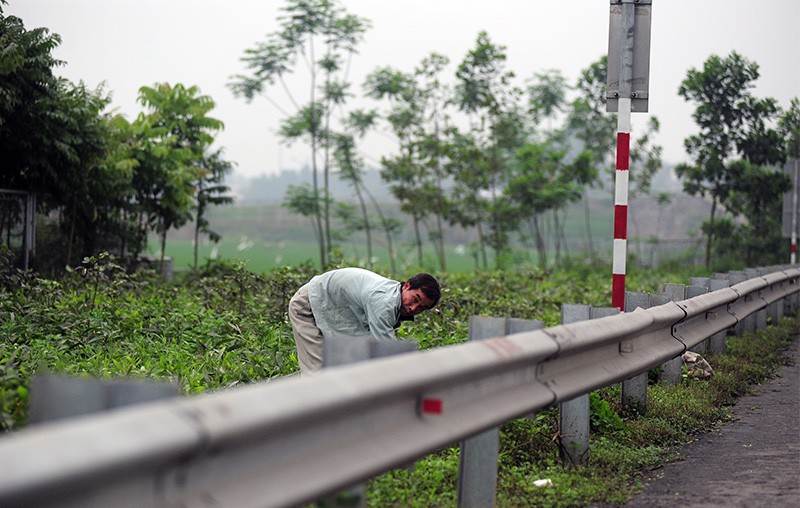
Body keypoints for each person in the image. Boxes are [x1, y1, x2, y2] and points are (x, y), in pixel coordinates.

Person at [288, 267, 441, 374]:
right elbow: (388, 351)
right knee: (317, 372)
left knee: (344, 367)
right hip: (307, 306)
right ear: (406, 285)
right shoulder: (384, 302)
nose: (414, 308)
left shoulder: (394, 295)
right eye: (415, 299)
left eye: (421, 307)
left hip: (330, 307)